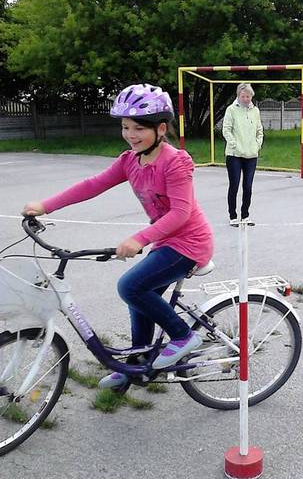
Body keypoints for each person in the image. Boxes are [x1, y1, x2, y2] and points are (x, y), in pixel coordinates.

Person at [22, 83, 214, 389]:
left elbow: (181, 213)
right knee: (139, 298)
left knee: (130, 287)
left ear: (160, 129)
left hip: (190, 243)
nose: (130, 134)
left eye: (139, 128)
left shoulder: (175, 161)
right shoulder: (130, 160)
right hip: (166, 241)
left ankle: (183, 335)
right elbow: (93, 185)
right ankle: (138, 366)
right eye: (125, 127)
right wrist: (47, 205)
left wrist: (140, 239)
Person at [222, 83, 264, 225]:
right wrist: (233, 143)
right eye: (243, 96)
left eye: (248, 96)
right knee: (234, 185)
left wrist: (257, 145)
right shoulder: (231, 110)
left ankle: (245, 215)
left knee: (248, 186)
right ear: (238, 96)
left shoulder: (255, 111)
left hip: (251, 155)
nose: (246, 99)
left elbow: (259, 130)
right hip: (234, 154)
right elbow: (226, 129)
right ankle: (233, 216)